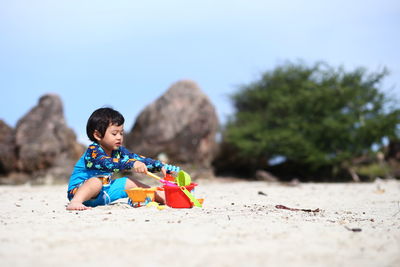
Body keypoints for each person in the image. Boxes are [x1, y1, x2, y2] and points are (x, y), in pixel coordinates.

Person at [66, 107, 179, 211]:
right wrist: (131, 164)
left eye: (121, 133)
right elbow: (107, 163)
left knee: (129, 181)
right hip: (80, 192)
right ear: (98, 135)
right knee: (96, 181)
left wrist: (160, 166)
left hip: (104, 192)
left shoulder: (119, 151)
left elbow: (138, 159)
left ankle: (161, 197)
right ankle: (75, 202)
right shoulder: (93, 151)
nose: (119, 137)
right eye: (114, 133)